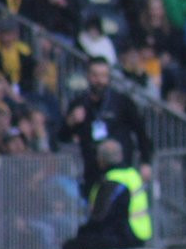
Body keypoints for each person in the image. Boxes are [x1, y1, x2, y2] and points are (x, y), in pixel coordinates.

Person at [61, 139, 151, 249]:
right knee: (88, 242)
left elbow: (101, 217)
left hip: (123, 237)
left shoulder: (112, 181)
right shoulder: (132, 174)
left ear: (100, 160)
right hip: (138, 235)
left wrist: (83, 232)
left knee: (72, 248)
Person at [59, 57, 153, 196]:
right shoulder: (78, 104)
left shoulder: (122, 102)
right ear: (88, 76)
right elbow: (62, 136)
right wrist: (71, 121)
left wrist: (146, 162)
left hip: (120, 171)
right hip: (92, 172)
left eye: (103, 76)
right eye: (95, 75)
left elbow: (141, 132)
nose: (99, 81)